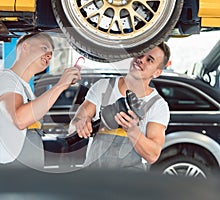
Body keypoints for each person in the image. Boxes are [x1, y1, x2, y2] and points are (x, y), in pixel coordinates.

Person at [0, 32, 81, 170]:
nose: (49, 55)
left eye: (51, 53)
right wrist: (60, 86)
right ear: (25, 46)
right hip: (9, 176)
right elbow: (20, 119)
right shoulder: (5, 79)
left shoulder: (24, 88)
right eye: (44, 48)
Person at [69, 42, 171, 171]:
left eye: (149, 60)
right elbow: (73, 127)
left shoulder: (157, 105)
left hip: (128, 182)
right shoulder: (103, 86)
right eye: (140, 54)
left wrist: (132, 130)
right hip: (93, 175)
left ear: (157, 72)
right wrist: (80, 123)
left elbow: (153, 155)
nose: (141, 60)